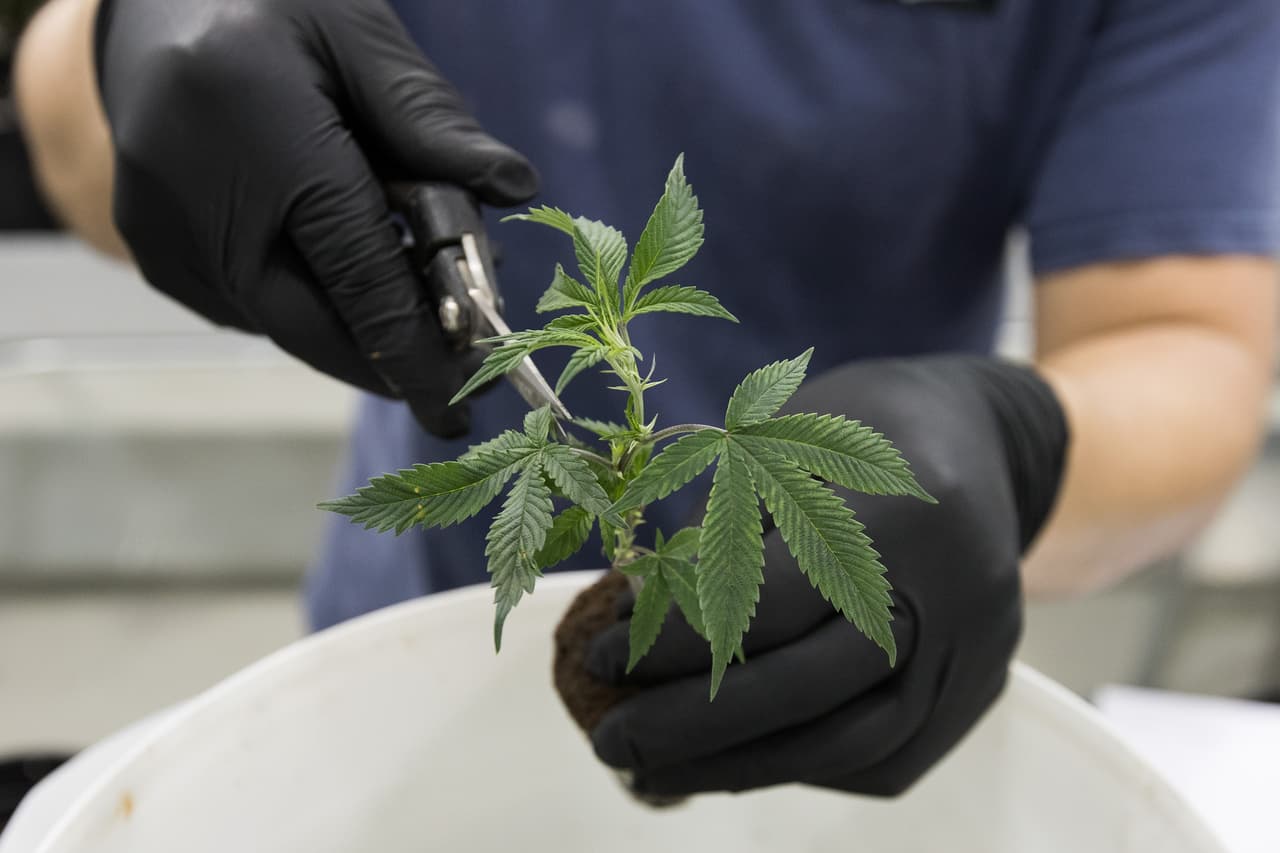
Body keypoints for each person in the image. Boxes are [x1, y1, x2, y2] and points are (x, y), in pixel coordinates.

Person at [12, 0, 1279, 800]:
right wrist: (137, 38)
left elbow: (1177, 339)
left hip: (843, 663)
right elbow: (72, 126)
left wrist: (1020, 442)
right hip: (407, 647)